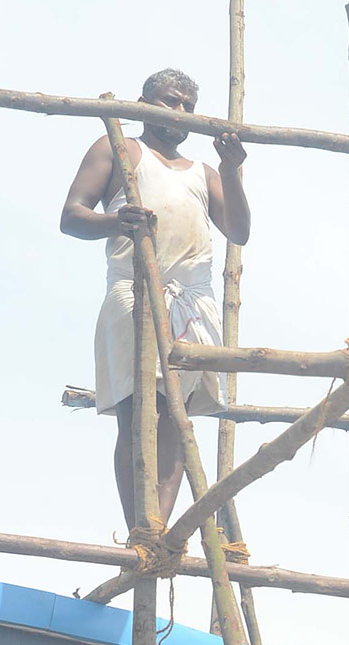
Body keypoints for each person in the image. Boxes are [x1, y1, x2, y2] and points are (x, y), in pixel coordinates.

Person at [59, 67, 252, 528]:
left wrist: (230, 169)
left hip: (191, 301)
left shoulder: (203, 173)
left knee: (177, 420)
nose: (180, 111)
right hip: (135, 290)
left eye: (188, 104)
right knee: (141, 412)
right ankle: (140, 529)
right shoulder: (121, 149)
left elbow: (240, 231)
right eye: (170, 101)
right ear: (144, 103)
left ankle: (157, 530)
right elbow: (72, 216)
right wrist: (117, 221)